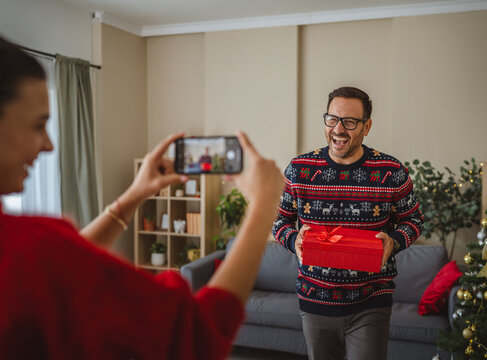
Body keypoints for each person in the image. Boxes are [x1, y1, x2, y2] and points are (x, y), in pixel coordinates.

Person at [0, 36, 284, 359]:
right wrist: (263, 206)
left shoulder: (33, 255)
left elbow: (65, 267)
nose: (49, 145)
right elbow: (194, 335)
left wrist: (134, 196)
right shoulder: (35, 251)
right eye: (39, 125)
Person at [272, 86, 424, 360]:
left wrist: (395, 241)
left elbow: (413, 220)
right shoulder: (299, 169)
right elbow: (280, 221)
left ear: (367, 126)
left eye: (350, 122)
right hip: (314, 300)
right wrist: (293, 240)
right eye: (332, 119)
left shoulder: (391, 172)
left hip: (370, 302)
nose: (338, 129)